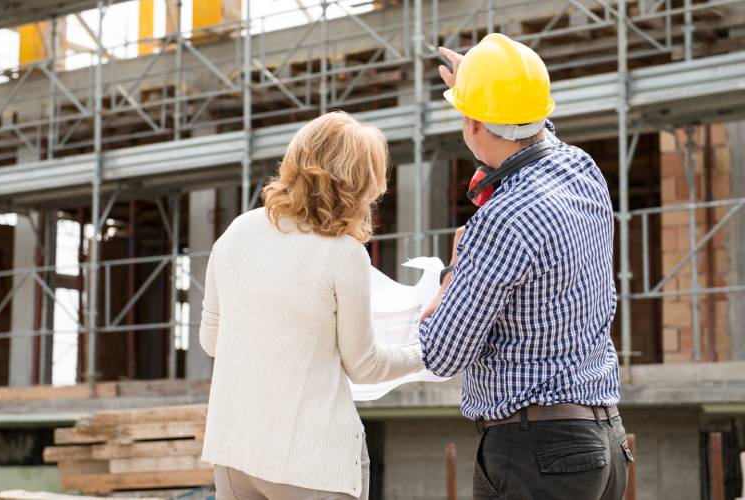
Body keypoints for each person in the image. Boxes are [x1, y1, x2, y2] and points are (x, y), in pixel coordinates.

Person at [419, 33, 631, 500]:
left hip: (536, 453)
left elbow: (443, 354)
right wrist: (491, 85)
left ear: (472, 122)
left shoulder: (501, 219)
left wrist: (452, 274)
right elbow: (534, 129)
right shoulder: (582, 169)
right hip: (605, 442)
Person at [198, 111, 424, 500]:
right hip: (313, 464)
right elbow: (365, 366)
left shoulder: (236, 232)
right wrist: (428, 352)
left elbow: (211, 341)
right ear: (361, 183)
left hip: (235, 454)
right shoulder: (343, 254)